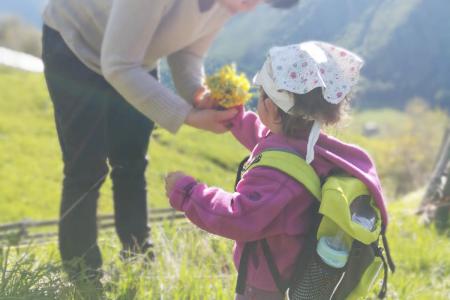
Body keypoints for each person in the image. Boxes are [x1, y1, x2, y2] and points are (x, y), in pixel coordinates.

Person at [41, 0, 300, 282]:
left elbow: (187, 52)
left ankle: (138, 256)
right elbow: (117, 65)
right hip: (77, 46)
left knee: (131, 162)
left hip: (134, 61)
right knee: (86, 168)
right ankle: (83, 274)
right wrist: (187, 115)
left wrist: (197, 95)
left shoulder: (228, 3)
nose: (251, 7)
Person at [165, 41, 387, 299]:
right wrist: (237, 119)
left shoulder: (276, 177)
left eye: (260, 96)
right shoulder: (313, 148)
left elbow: (238, 217)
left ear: (270, 107)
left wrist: (187, 191)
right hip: (289, 272)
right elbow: (270, 143)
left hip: (266, 286)